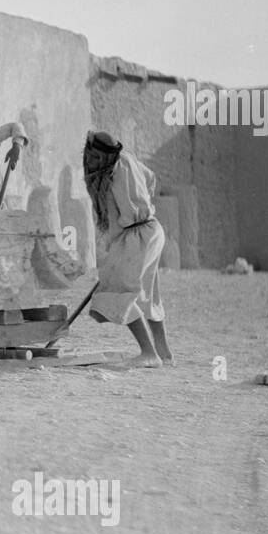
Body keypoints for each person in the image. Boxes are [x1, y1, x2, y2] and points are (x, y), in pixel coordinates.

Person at [82, 130, 172, 368]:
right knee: (147, 295)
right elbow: (151, 178)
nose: (91, 161)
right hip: (150, 231)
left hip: (138, 235)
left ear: (107, 157)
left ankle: (149, 353)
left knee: (118, 294)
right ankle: (164, 353)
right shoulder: (126, 159)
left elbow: (122, 218)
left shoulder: (115, 173)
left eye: (97, 158)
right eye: (89, 155)